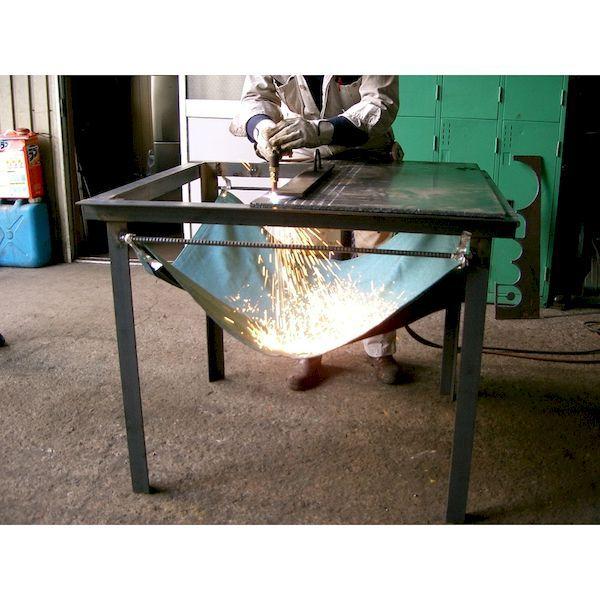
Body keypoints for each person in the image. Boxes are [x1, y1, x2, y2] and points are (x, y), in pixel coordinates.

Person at [231, 75, 403, 391]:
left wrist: (321, 130)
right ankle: (309, 350)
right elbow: (256, 97)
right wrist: (261, 127)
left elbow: (380, 104)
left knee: (377, 253)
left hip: (367, 153)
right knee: (302, 254)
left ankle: (380, 350)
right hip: (307, 160)